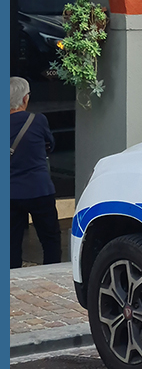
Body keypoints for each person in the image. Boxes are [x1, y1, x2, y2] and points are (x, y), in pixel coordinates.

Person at [10, 76, 62, 268]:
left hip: (10, 192)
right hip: (39, 189)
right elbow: (51, 145)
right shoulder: (37, 120)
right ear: (25, 99)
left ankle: (13, 278)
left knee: (11, 242)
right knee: (50, 239)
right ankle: (52, 272)